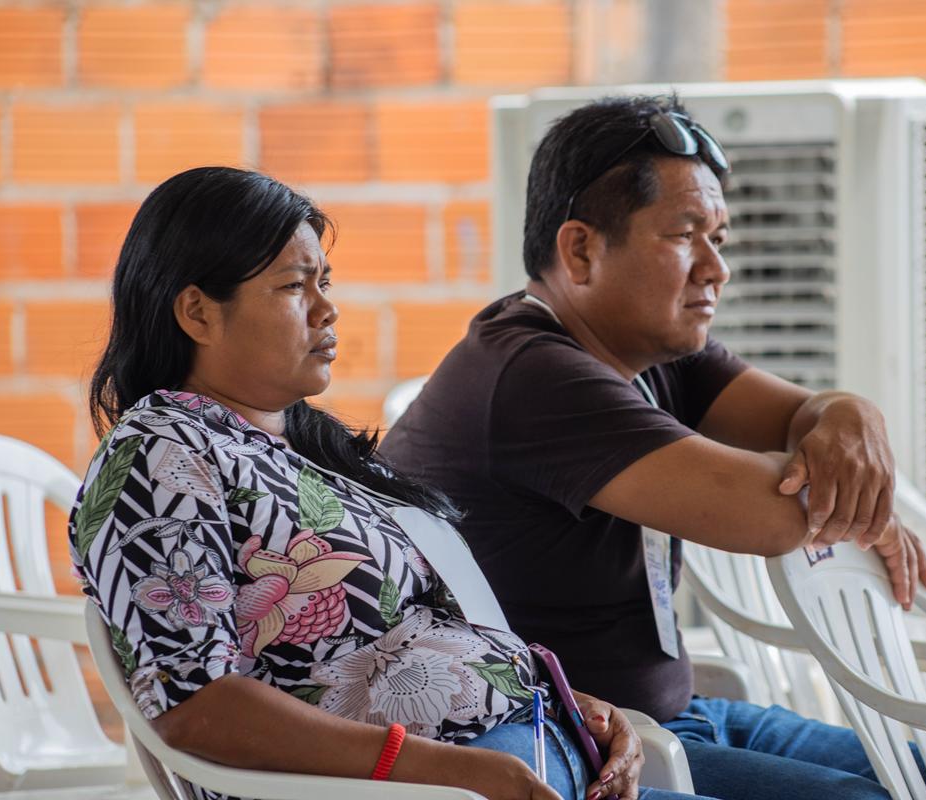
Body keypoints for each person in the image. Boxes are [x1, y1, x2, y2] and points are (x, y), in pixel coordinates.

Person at [379, 96, 926, 800]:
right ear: (581, 250)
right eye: (684, 235)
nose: (716, 269)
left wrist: (854, 416)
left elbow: (807, 412)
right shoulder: (532, 374)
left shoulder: (650, 348)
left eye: (719, 238)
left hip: (679, 716)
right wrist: (851, 492)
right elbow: (770, 514)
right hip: (575, 746)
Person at [71, 165, 720, 800]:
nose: (328, 309)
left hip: (534, 752)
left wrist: (572, 703)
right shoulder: (160, 458)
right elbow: (194, 707)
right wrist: (449, 770)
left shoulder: (310, 450)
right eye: (295, 286)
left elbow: (429, 630)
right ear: (198, 313)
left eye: (325, 282)